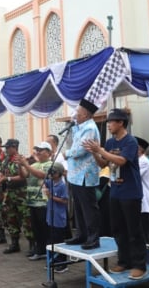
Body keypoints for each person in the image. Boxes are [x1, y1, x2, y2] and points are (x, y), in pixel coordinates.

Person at [85, 108, 146, 279]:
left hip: (130, 192)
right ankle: (124, 261)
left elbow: (121, 160)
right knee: (118, 230)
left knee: (134, 230)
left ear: (121, 123)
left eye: (111, 122)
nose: (109, 125)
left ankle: (139, 265)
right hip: (115, 192)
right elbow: (104, 164)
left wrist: (101, 150)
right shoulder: (110, 143)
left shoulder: (130, 141)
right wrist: (96, 153)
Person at [64, 99, 101, 250]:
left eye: (77, 113)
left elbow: (80, 151)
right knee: (79, 208)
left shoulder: (90, 128)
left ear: (85, 114)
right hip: (75, 175)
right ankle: (81, 235)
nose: (75, 116)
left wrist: (66, 153)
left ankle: (93, 238)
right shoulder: (80, 128)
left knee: (89, 208)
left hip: (85, 174)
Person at [0, 139, 30, 254]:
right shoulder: (6, 160)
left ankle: (33, 245)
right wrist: (0, 176)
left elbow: (24, 176)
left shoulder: (21, 159)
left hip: (21, 192)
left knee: (26, 219)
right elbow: (2, 172)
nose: (6, 149)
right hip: (9, 193)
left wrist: (7, 178)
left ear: (15, 147)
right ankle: (14, 244)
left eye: (9, 147)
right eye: (6, 147)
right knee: (11, 219)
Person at [19, 141, 52, 260]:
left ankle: (47, 251)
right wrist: (20, 165)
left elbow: (42, 175)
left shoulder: (50, 164)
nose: (38, 152)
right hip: (32, 201)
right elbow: (24, 175)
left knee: (44, 228)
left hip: (43, 202)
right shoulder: (34, 165)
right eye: (37, 150)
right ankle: (40, 250)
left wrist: (26, 165)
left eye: (41, 150)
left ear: (48, 152)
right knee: (36, 228)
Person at [43, 163, 69, 273]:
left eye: (53, 172)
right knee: (51, 239)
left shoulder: (62, 185)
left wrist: (51, 197)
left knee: (59, 241)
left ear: (58, 173)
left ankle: (62, 263)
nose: (52, 174)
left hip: (59, 218)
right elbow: (43, 180)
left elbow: (65, 200)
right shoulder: (51, 182)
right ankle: (53, 260)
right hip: (51, 216)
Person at [136, 137, 149, 246]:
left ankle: (148, 257)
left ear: (140, 149)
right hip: (137, 199)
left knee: (145, 231)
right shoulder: (137, 160)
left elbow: (134, 176)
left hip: (143, 200)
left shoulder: (144, 161)